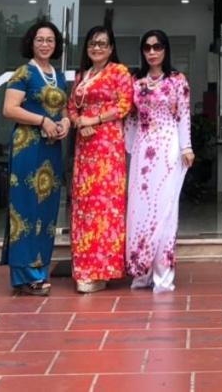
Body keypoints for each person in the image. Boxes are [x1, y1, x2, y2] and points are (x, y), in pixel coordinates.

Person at [0, 19, 70, 296]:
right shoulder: (23, 73)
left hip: (52, 149)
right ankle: (25, 275)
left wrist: (65, 122)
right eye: (40, 39)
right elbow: (9, 109)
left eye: (50, 40)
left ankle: (40, 269)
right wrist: (42, 120)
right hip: (28, 147)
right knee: (26, 208)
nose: (44, 44)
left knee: (47, 212)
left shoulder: (58, 76)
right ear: (31, 42)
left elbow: (63, 110)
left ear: (56, 45)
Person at [124, 29, 194, 293]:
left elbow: (184, 115)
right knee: (140, 209)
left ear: (166, 49)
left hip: (167, 147)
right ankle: (141, 271)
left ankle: (163, 275)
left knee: (165, 209)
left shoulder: (177, 80)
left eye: (157, 47)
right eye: (147, 47)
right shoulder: (136, 82)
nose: (152, 52)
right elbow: (130, 118)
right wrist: (127, 147)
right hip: (142, 150)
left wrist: (186, 146)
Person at [67, 25, 133, 294]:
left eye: (102, 44)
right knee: (84, 205)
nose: (97, 48)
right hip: (85, 147)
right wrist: (79, 122)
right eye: (92, 43)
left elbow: (124, 105)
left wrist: (94, 119)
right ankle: (84, 268)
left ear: (111, 48)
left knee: (105, 205)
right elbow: (71, 107)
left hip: (108, 145)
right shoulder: (82, 76)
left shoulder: (119, 72)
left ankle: (102, 271)